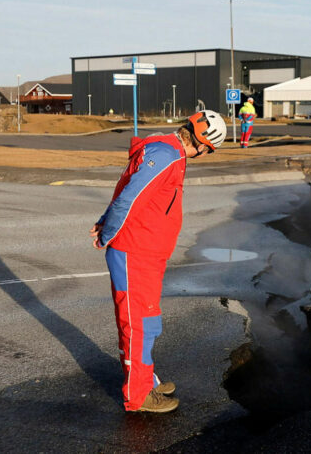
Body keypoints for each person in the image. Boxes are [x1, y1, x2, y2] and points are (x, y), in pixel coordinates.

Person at [89, 110, 227, 413]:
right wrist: (107, 233)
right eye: (209, 150)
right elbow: (130, 197)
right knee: (137, 324)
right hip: (134, 251)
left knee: (147, 321)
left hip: (147, 252)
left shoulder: (167, 150)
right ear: (204, 145)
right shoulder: (167, 156)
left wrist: (104, 221)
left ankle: (145, 378)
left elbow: (128, 189)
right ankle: (138, 395)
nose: (205, 155)